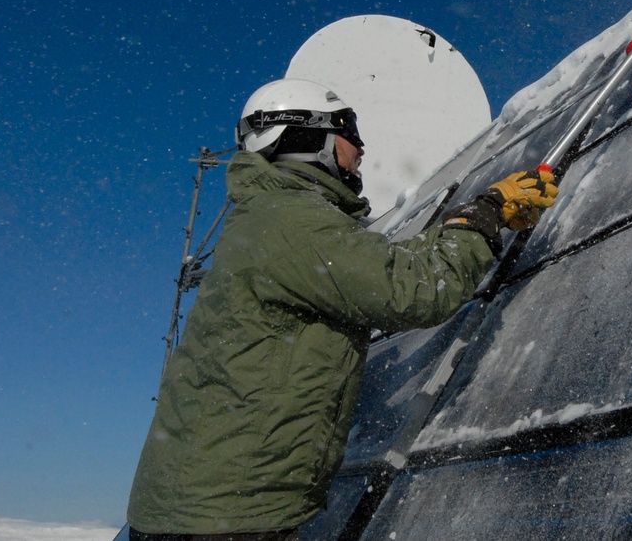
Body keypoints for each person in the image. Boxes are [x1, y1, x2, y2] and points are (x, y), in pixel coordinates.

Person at [127, 78, 558, 541]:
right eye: (348, 132)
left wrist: (462, 224)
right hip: (227, 519)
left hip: (210, 506)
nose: (360, 148)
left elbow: (389, 271)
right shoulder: (291, 220)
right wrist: (487, 215)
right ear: (307, 137)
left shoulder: (272, 216)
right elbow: (419, 288)